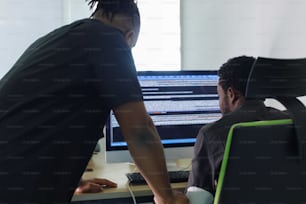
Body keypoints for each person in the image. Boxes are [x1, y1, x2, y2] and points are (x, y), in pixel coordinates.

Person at [0, 0, 188, 203]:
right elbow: (140, 131)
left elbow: (50, 118)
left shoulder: (62, 38)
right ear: (129, 36)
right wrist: (166, 197)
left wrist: (76, 180)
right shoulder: (110, 40)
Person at [186, 56, 289, 204]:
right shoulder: (293, 121)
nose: (219, 103)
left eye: (219, 96)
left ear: (231, 94)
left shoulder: (212, 133)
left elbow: (197, 201)